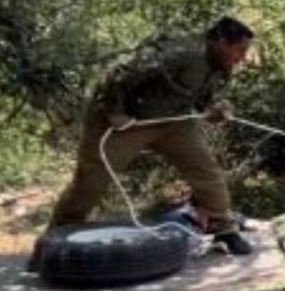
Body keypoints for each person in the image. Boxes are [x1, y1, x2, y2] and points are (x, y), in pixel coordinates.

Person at [44, 16, 256, 256]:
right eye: (238, 49)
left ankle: (225, 230)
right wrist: (115, 111)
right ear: (219, 40)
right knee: (91, 180)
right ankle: (54, 242)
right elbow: (120, 73)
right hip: (127, 120)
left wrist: (211, 111)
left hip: (172, 121)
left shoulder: (220, 65)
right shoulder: (181, 51)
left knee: (205, 170)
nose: (242, 57)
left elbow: (195, 96)